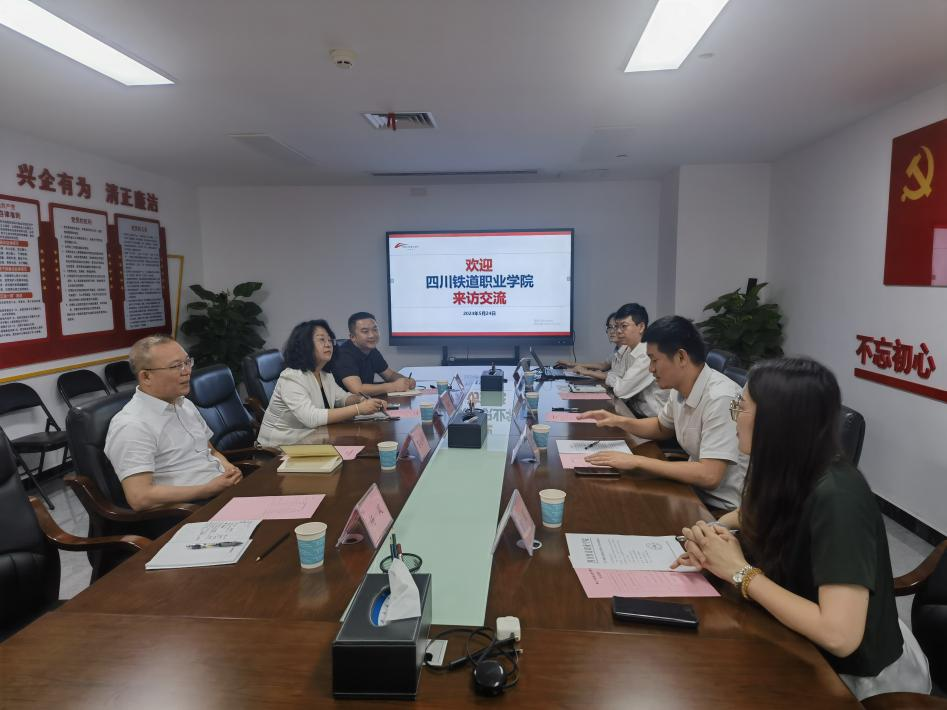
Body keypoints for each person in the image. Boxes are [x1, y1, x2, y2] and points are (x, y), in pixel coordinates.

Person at [672, 358, 931, 701]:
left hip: (857, 680)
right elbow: (752, 517)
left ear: (776, 421)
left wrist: (739, 572)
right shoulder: (784, 467)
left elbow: (840, 635)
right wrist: (717, 540)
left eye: (741, 407)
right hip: (795, 640)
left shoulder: (839, 497)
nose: (735, 416)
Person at [578, 315, 747, 511]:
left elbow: (709, 475)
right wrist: (618, 421)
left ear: (681, 357)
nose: (651, 369)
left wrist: (637, 461)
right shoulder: (680, 386)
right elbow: (661, 426)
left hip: (718, 507)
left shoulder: (722, 398)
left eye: (654, 360)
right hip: (690, 489)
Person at [105, 335, 244, 512]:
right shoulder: (131, 425)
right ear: (146, 377)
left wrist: (229, 469)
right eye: (176, 366)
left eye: (187, 362)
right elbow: (140, 497)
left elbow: (211, 451)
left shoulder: (184, 404)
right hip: (188, 510)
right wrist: (207, 489)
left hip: (222, 493)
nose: (186, 371)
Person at [257, 320, 386, 446]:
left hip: (311, 440)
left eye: (330, 340)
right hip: (278, 449)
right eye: (321, 340)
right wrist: (358, 409)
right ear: (305, 345)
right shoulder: (292, 377)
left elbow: (342, 398)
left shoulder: (324, 374)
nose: (328, 344)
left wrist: (361, 400)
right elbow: (311, 418)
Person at [596, 303, 667, 417]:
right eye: (617, 326)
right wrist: (615, 379)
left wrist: (611, 378)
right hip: (632, 409)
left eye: (624, 326)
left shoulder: (646, 353)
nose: (618, 331)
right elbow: (617, 377)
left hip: (651, 418)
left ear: (641, 327)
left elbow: (621, 390)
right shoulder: (628, 350)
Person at [332, 312, 417, 395]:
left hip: (366, 401)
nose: (372, 335)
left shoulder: (371, 350)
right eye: (365, 331)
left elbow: (390, 375)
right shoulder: (343, 355)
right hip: (346, 403)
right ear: (352, 337)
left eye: (375, 329)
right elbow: (357, 390)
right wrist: (393, 386)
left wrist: (405, 380)